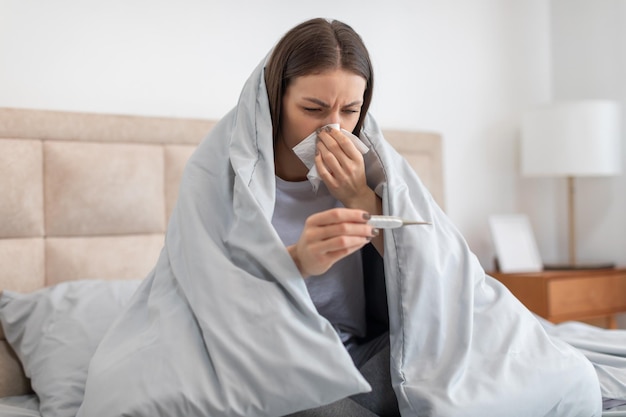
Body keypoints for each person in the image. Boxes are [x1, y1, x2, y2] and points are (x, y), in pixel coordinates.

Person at [264, 18, 398, 416]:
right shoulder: (230, 178)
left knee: (457, 354)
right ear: (276, 99)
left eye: (351, 110)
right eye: (312, 108)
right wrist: (297, 262)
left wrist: (359, 196)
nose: (333, 127)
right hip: (277, 363)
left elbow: (425, 269)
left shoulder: (372, 169)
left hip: (358, 355)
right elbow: (212, 294)